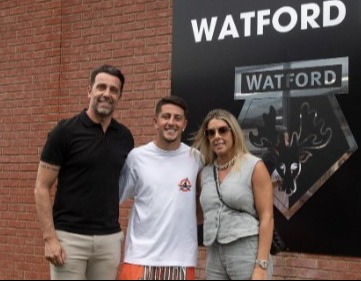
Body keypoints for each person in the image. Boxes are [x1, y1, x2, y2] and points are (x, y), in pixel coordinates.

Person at [34, 64, 134, 280]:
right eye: (101, 87)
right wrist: (50, 238)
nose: (107, 94)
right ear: (89, 91)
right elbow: (41, 187)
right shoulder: (65, 131)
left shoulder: (125, 137)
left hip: (109, 239)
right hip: (70, 239)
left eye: (113, 90)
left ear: (119, 96)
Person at [118, 96, 203, 280]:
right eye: (166, 116)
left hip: (181, 260)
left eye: (177, 118)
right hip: (140, 258)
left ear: (184, 124)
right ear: (155, 121)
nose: (171, 122)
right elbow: (115, 198)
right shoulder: (137, 157)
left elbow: (202, 204)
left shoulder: (196, 159)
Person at [192, 109, 274, 280]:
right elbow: (201, 215)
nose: (217, 136)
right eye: (211, 132)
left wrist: (261, 265)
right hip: (214, 253)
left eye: (223, 130)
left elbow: (267, 217)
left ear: (233, 132)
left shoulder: (254, 166)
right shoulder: (205, 173)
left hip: (246, 249)